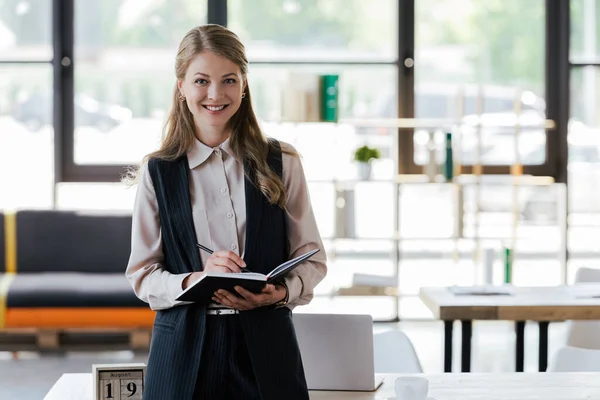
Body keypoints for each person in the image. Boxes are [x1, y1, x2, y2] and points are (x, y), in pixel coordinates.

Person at [125, 24, 327, 400]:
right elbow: (143, 275)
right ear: (181, 86)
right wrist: (196, 279)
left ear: (244, 84)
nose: (215, 94)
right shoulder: (158, 172)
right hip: (183, 353)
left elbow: (311, 258)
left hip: (268, 349)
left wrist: (280, 292)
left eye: (229, 80)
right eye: (201, 81)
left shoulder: (282, 162)